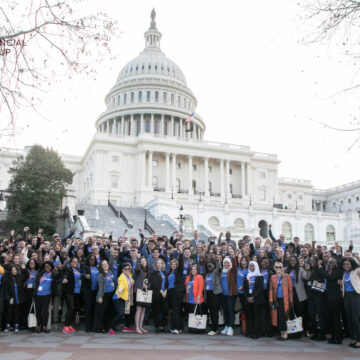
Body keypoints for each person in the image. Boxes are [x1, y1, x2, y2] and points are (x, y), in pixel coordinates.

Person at [285, 256, 310, 337]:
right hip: (288, 293)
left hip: (298, 293)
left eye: (294, 261)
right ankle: (292, 331)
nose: (293, 262)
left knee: (299, 313)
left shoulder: (300, 270)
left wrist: (307, 269)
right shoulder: (285, 270)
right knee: (290, 312)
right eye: (291, 260)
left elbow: (307, 277)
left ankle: (300, 331)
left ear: (297, 262)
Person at [269, 261, 293, 341]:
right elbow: (271, 290)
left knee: (284, 316)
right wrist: (271, 301)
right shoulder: (272, 277)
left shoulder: (287, 276)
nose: (278, 268)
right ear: (274, 268)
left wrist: (291, 301)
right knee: (278, 317)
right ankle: (282, 333)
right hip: (277, 300)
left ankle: (285, 334)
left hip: (285, 300)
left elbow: (290, 290)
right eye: (277, 267)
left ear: (282, 268)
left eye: (280, 267)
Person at [108, 263, 134, 336]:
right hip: (118, 297)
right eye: (125, 269)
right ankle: (110, 328)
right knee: (121, 313)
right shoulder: (121, 277)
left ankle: (127, 327)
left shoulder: (129, 275)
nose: (127, 270)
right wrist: (119, 292)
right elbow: (121, 286)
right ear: (122, 270)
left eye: (128, 269)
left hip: (127, 298)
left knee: (127, 312)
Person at [321, 257, 343, 344]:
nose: (330, 263)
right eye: (329, 262)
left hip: (335, 298)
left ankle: (338, 338)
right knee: (330, 318)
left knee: (336, 318)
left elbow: (329, 277)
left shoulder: (337, 271)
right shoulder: (328, 270)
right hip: (328, 297)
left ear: (336, 263)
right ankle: (333, 336)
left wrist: (320, 269)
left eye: (333, 262)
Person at [33, 261, 58, 333]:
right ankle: (38, 325)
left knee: (45, 311)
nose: (47, 268)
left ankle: (45, 326)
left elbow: (58, 279)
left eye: (49, 266)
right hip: (38, 294)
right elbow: (36, 282)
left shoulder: (53, 274)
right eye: (46, 266)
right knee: (38, 310)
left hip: (47, 294)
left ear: (51, 267)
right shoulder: (40, 273)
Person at [3, 264, 29, 332]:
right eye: (13, 270)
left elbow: (27, 276)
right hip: (11, 298)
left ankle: (16, 325)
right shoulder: (7, 279)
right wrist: (8, 298)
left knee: (17, 312)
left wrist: (24, 269)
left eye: (15, 270)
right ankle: (7, 325)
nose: (14, 271)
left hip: (18, 298)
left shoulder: (19, 277)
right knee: (9, 312)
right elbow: (6, 290)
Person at [243, 261, 265, 339]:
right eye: (250, 266)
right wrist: (247, 297)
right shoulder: (247, 276)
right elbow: (245, 288)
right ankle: (249, 331)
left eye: (253, 266)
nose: (251, 268)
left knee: (256, 316)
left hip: (256, 299)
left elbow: (260, 288)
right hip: (248, 299)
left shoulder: (260, 276)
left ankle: (256, 333)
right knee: (249, 316)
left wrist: (253, 297)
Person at [341, 257, 360, 348]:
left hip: (355, 295)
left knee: (355, 318)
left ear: (352, 264)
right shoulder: (345, 273)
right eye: (345, 264)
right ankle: (353, 338)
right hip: (347, 296)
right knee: (349, 317)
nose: (346, 266)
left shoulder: (356, 271)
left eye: (348, 264)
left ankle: (359, 339)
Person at [93, 259, 116, 333]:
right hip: (104, 295)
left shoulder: (110, 272)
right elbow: (100, 287)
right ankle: (100, 328)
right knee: (102, 312)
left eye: (106, 264)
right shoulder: (101, 275)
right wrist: (100, 297)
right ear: (101, 266)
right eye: (103, 264)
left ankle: (108, 327)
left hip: (111, 295)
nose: (105, 265)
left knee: (109, 312)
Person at [61, 256, 82, 334]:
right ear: (70, 262)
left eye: (76, 262)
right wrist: (64, 279)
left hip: (76, 292)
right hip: (69, 291)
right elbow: (65, 275)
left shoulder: (77, 270)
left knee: (73, 309)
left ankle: (70, 325)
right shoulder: (68, 269)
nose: (75, 263)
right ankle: (65, 326)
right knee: (70, 307)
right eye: (73, 262)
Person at [166, 253, 185, 334]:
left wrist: (180, 254)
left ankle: (176, 328)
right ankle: (179, 327)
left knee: (176, 310)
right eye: (172, 264)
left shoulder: (178, 271)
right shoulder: (169, 273)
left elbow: (181, 264)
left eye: (175, 264)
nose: (173, 265)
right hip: (170, 292)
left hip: (177, 292)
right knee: (175, 310)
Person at [220, 257, 237, 336]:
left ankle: (231, 327)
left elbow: (234, 266)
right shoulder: (222, 271)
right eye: (225, 263)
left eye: (228, 263)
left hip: (230, 295)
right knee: (225, 311)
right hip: (223, 295)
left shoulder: (232, 271)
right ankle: (226, 326)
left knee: (230, 311)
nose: (226, 264)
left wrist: (233, 257)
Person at [150, 258, 169, 333]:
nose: (159, 264)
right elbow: (154, 283)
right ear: (155, 264)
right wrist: (161, 291)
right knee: (157, 310)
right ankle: (157, 326)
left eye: (160, 263)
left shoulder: (164, 272)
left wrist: (166, 290)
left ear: (162, 264)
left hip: (164, 294)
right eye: (157, 263)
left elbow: (167, 282)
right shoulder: (154, 272)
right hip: (157, 294)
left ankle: (163, 325)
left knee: (165, 309)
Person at [205, 258, 222, 336]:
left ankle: (214, 329)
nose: (209, 266)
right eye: (208, 265)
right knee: (211, 312)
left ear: (214, 266)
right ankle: (214, 328)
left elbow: (219, 268)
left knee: (214, 312)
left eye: (211, 265)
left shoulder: (215, 272)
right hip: (209, 294)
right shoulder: (207, 274)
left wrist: (217, 260)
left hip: (215, 294)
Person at [81, 254, 98, 332]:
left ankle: (93, 327)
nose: (92, 260)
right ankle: (87, 328)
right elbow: (82, 274)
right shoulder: (85, 267)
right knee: (88, 309)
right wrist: (85, 276)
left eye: (93, 259)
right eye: (91, 259)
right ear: (88, 260)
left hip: (96, 292)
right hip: (88, 292)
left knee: (94, 309)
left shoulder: (97, 268)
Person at [185, 264, 204, 331]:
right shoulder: (187, 277)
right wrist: (186, 289)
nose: (193, 270)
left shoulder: (199, 277)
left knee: (195, 314)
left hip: (196, 299)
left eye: (194, 269)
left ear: (197, 270)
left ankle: (196, 328)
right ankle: (191, 327)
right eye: (192, 269)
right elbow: (186, 285)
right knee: (190, 314)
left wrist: (199, 296)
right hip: (188, 299)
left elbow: (201, 287)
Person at [134, 257, 150, 334]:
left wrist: (148, 286)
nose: (143, 262)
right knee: (139, 310)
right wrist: (138, 260)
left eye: (144, 261)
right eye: (142, 261)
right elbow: (136, 269)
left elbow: (150, 282)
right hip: (139, 291)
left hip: (145, 292)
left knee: (143, 310)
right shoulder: (138, 269)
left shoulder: (147, 271)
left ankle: (140, 326)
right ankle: (137, 327)